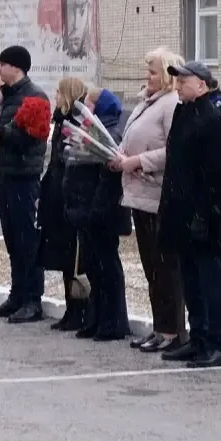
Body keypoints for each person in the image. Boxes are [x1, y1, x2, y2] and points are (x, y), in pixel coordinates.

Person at [157, 60, 221, 367]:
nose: (178, 85)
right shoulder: (182, 112)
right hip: (180, 209)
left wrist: (203, 213)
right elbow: (176, 164)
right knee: (190, 279)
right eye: (177, 81)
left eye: (183, 81)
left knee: (210, 280)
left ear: (201, 84)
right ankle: (198, 336)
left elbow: (214, 174)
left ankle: (215, 342)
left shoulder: (214, 119)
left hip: (205, 212)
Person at [114, 47, 184, 353]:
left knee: (166, 268)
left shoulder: (171, 104)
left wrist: (138, 160)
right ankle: (159, 327)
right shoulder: (147, 102)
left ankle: (171, 330)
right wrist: (120, 156)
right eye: (148, 70)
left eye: (154, 71)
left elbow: (173, 151)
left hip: (157, 195)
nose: (148, 76)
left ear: (169, 74)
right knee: (151, 267)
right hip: (139, 195)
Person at [0, 45, 51, 324]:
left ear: (17, 67)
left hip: (24, 178)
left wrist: (2, 133)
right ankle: (17, 295)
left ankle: (33, 300)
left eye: (3, 64)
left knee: (27, 239)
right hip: (5, 175)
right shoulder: (8, 97)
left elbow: (33, 137)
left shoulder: (34, 96)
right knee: (12, 238)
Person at [67, 87, 130, 341]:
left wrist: (96, 208)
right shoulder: (95, 129)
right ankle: (97, 318)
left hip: (103, 209)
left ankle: (114, 322)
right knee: (93, 266)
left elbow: (107, 176)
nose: (85, 108)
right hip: (88, 208)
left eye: (89, 104)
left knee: (107, 266)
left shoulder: (108, 132)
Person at [39, 77, 89, 331]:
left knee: (74, 257)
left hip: (70, 196)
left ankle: (80, 309)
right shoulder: (60, 121)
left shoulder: (75, 122)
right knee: (63, 256)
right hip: (57, 194)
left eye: (58, 92)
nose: (55, 95)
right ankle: (71, 308)